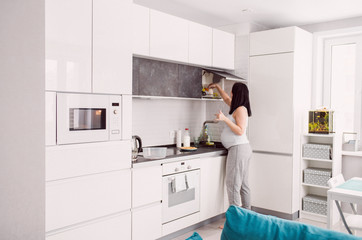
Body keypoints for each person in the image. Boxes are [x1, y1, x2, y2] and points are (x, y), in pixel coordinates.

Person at [208, 82, 252, 212]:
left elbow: (240, 130)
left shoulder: (240, 110)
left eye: (232, 91)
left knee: (233, 185)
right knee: (243, 185)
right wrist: (218, 88)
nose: (230, 94)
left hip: (238, 149)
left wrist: (224, 119)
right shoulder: (237, 107)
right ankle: (246, 218)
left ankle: (235, 221)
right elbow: (226, 99)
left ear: (236, 93)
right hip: (240, 149)